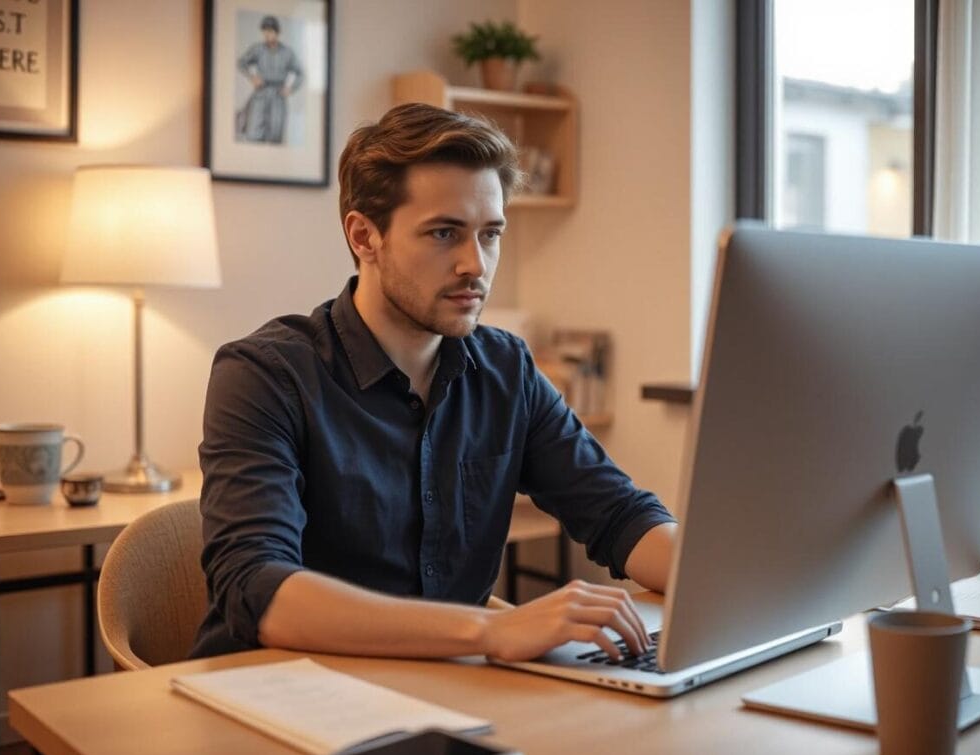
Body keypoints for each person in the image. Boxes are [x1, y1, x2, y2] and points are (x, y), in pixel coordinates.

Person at [192, 103, 678, 662]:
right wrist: (490, 631)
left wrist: (731, 584)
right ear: (364, 236)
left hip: (441, 684)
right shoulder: (264, 375)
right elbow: (258, 588)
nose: (476, 264)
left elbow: (620, 515)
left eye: (490, 234)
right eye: (445, 233)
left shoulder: (506, 369)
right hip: (277, 690)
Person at [236, 15, 304, 144]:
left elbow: (300, 73)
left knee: (275, 135)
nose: (267, 35)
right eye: (265, 31)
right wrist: (252, 77)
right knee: (253, 133)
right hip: (261, 93)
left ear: (276, 32)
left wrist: (291, 88)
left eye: (270, 31)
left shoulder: (287, 52)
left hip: (278, 95)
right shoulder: (257, 49)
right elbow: (241, 62)